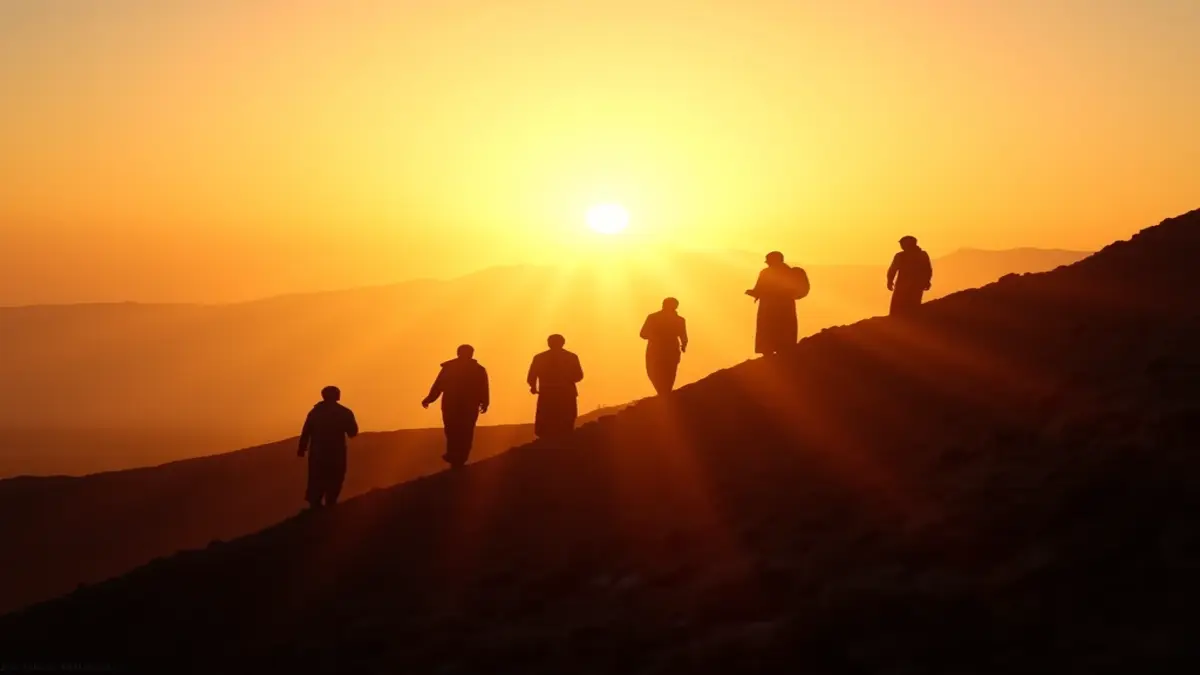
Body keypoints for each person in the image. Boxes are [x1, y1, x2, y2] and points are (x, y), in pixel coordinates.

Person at [422, 344, 490, 469]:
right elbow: (439, 385)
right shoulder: (457, 369)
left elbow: (483, 387)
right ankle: (456, 457)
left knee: (461, 431)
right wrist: (429, 399)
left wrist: (485, 402)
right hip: (455, 405)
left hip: (460, 405)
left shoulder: (455, 368)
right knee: (456, 431)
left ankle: (458, 458)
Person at [298, 386, 359, 509]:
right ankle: (329, 505)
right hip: (336, 453)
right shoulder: (344, 412)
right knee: (335, 477)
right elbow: (352, 432)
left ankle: (317, 507)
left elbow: (306, 432)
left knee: (317, 478)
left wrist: (302, 448)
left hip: (318, 454)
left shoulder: (315, 413)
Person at [527, 334, 584, 441]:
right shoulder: (571, 357)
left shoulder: (540, 357)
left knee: (549, 418)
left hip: (550, 393)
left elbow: (532, 375)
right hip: (563, 393)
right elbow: (579, 376)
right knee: (564, 418)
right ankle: (560, 438)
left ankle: (551, 440)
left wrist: (533, 386)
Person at [745, 251, 800, 356]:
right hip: (785, 306)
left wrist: (753, 293)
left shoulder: (766, 273)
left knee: (768, 328)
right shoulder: (789, 272)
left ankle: (769, 352)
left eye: (768, 260)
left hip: (768, 307)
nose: (766, 263)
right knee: (784, 327)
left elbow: (759, 289)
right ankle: (784, 350)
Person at [640, 297, 688, 395]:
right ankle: (663, 394)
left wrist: (683, 344)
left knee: (667, 372)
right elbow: (643, 334)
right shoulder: (653, 317)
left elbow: (683, 335)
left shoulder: (679, 320)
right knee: (658, 372)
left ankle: (664, 394)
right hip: (659, 350)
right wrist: (683, 345)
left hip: (666, 350)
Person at [887, 235, 933, 316]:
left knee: (898, 307)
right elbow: (928, 269)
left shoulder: (900, 256)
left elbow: (892, 270)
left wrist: (890, 281)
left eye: (902, 243)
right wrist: (927, 281)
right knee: (913, 305)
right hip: (916, 285)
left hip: (903, 285)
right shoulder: (922, 255)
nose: (901, 246)